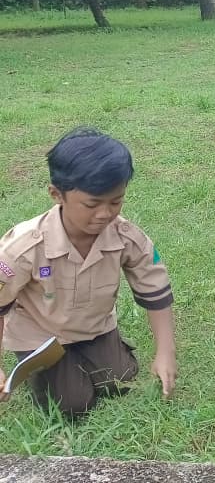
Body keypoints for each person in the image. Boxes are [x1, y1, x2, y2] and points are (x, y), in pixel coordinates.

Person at [0, 128, 176, 418]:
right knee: (72, 404)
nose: (105, 213)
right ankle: (41, 371)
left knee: (121, 378)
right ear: (56, 194)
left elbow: (155, 290)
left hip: (93, 328)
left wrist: (166, 353)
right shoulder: (23, 248)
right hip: (41, 335)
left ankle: (90, 356)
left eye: (116, 201)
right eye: (92, 204)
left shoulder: (126, 237)